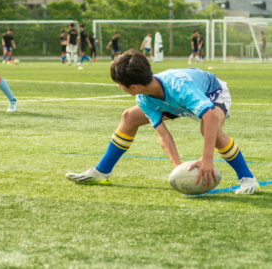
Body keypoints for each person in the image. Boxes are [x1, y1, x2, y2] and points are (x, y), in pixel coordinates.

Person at [65, 49, 260, 195]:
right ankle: (102, 171)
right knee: (129, 117)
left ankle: (247, 178)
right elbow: (162, 134)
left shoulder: (178, 86)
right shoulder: (143, 97)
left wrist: (206, 159)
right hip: (174, 102)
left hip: (211, 93)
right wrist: (178, 168)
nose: (119, 87)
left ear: (133, 86)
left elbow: (208, 116)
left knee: (210, 129)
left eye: (119, 85)